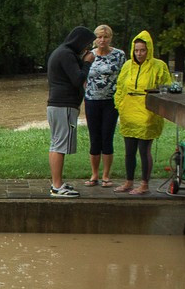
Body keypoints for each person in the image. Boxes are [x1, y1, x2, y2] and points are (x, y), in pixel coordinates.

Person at [113, 30, 172, 195]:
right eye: (137, 50)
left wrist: (157, 107)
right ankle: (129, 181)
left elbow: (167, 87)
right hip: (129, 112)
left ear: (149, 50)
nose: (139, 53)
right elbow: (119, 87)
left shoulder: (159, 66)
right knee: (129, 150)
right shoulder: (127, 65)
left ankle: (144, 184)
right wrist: (120, 105)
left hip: (148, 112)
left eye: (143, 50)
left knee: (143, 150)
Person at [46, 26, 95, 198]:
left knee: (56, 143)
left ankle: (56, 183)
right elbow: (77, 79)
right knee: (59, 145)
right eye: (87, 44)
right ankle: (57, 186)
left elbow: (72, 73)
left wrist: (82, 61)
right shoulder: (66, 54)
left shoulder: (62, 53)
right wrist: (88, 62)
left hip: (57, 105)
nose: (87, 49)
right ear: (79, 41)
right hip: (64, 105)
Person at [82, 25, 125, 187]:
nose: (102, 40)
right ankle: (94, 175)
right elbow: (81, 74)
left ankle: (106, 175)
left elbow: (124, 76)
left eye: (105, 37)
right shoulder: (88, 55)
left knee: (107, 137)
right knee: (95, 138)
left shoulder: (119, 55)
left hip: (111, 102)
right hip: (92, 101)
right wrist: (86, 88)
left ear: (110, 38)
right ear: (95, 39)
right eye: (99, 37)